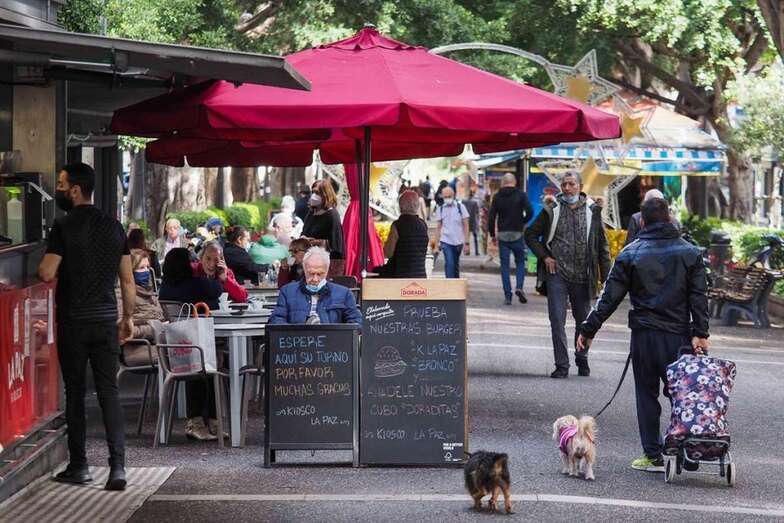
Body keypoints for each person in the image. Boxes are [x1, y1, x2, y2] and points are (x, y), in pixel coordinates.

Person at [577, 197, 710, 472]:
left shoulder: (630, 253)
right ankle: (687, 448)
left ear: (642, 222)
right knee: (683, 394)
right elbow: (699, 296)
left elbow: (609, 297)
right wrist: (701, 333)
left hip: (645, 336)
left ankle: (653, 455)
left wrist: (589, 329)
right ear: (670, 218)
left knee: (646, 395)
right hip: (679, 336)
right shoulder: (691, 253)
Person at [37, 162, 133, 491]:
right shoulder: (114, 227)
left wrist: (46, 262)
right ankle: (117, 468)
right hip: (106, 320)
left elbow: (48, 272)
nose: (59, 190)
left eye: (62, 185)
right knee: (109, 392)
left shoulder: (63, 226)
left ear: (76, 190)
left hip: (74, 322)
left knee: (75, 393)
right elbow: (128, 279)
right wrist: (128, 318)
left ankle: (79, 466)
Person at [525, 171, 610, 379]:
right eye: (564, 184)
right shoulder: (551, 210)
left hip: (583, 276)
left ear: (580, 186)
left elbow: (602, 247)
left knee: (584, 321)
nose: (567, 188)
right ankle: (562, 365)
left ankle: (582, 358)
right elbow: (530, 235)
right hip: (557, 274)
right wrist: (545, 257)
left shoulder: (593, 211)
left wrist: (608, 280)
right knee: (557, 320)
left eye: (571, 184)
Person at [157, 248, 225, 440]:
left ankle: (203, 421)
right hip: (194, 348)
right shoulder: (196, 284)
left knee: (207, 362)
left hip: (173, 347)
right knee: (212, 362)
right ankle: (208, 420)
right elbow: (216, 291)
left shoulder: (165, 287)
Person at [269, 247, 362, 325]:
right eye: (311, 274)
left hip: (332, 344)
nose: (315, 279)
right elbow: (276, 321)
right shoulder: (288, 292)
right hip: (298, 344)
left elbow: (357, 322)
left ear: (327, 271)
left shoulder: (344, 294)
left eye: (320, 274)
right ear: (304, 269)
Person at [489, 174, 535, 305]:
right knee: (520, 262)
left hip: (503, 235)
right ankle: (519, 287)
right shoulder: (521, 195)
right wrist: (522, 222)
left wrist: (492, 235)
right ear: (514, 182)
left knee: (504, 266)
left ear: (503, 183)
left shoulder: (497, 197)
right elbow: (530, 211)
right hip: (517, 234)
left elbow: (492, 217)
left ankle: (508, 295)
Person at [377, 190, 429, 278]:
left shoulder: (397, 225)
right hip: (420, 275)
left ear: (401, 206)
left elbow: (388, 253)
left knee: (373, 273)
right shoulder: (423, 225)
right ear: (417, 206)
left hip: (399, 275)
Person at [116, 249, 164, 342]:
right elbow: (123, 330)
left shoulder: (151, 294)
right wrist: (154, 329)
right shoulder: (121, 295)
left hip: (159, 344)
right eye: (141, 268)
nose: (146, 271)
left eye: (147, 267)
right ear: (130, 271)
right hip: (140, 349)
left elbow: (162, 319)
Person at [302, 179, 345, 276]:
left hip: (327, 266)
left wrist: (316, 242)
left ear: (325, 195)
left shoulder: (332, 216)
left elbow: (337, 246)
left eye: (317, 193)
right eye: (312, 192)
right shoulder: (311, 213)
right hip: (310, 263)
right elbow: (304, 232)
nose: (313, 196)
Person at [434, 186, 469, 278]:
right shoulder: (440, 209)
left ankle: (456, 285)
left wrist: (466, 243)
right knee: (449, 263)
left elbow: (466, 225)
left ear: (453, 195)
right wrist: (436, 245)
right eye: (445, 197)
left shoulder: (461, 208)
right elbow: (438, 227)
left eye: (449, 196)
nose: (447, 199)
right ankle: (450, 285)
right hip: (446, 241)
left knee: (455, 265)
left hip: (458, 242)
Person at [462, 190, 481, 256]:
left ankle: (467, 251)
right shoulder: (475, 202)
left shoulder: (463, 202)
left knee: (466, 237)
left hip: (465, 221)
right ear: (472, 195)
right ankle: (476, 251)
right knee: (475, 236)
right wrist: (478, 221)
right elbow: (477, 212)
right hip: (473, 221)